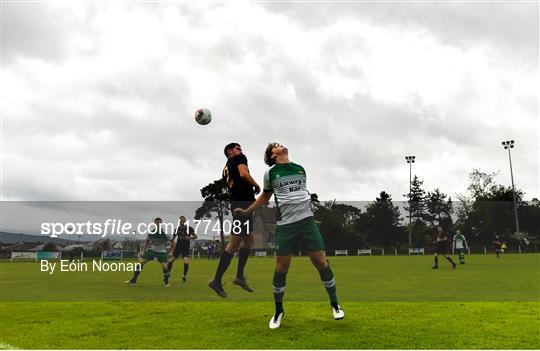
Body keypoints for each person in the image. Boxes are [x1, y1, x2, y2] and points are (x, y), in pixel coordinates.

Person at [234, 142, 344, 329]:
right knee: (281, 268)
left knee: (321, 262)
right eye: (276, 146)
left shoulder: (300, 169)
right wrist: (247, 212)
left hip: (307, 222)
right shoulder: (270, 173)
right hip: (286, 225)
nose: (281, 145)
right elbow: (264, 198)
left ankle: (335, 304)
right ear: (272, 156)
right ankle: (278, 311)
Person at [208, 143, 261, 297]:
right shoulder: (239, 158)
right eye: (238, 148)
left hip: (238, 204)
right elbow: (244, 174)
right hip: (242, 206)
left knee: (249, 241)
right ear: (230, 151)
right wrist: (256, 185)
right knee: (233, 244)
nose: (241, 151)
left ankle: (239, 276)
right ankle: (217, 280)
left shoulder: (225, 169)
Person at [126, 217, 171, 286]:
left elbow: (173, 242)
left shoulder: (166, 233)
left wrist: (171, 251)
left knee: (165, 267)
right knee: (140, 264)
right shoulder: (151, 233)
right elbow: (147, 242)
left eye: (160, 222)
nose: (158, 224)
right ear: (155, 223)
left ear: (161, 223)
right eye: (157, 222)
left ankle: (166, 282)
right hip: (152, 251)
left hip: (162, 252)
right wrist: (143, 251)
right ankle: (134, 280)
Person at [167, 215, 197, 282]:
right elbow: (172, 239)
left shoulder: (189, 228)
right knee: (171, 260)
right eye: (181, 220)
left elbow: (195, 236)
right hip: (178, 247)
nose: (182, 221)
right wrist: (171, 249)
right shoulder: (177, 229)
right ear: (179, 221)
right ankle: (167, 274)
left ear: (185, 221)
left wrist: (189, 238)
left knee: (186, 261)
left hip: (185, 247)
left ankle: (184, 276)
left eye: (184, 219)